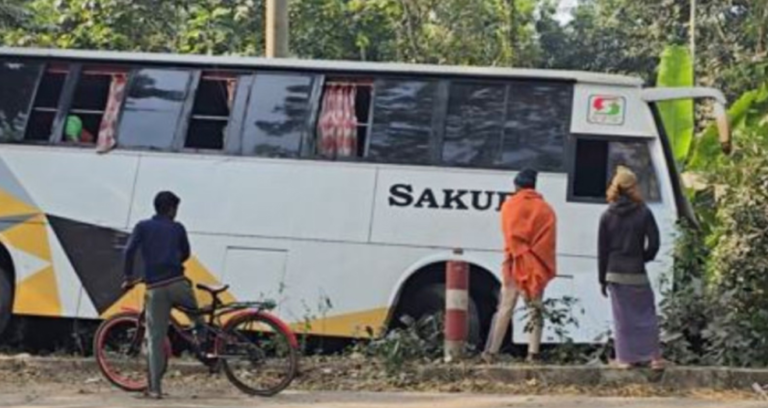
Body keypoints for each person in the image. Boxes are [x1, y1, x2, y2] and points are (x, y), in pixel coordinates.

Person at [123, 191, 204, 399]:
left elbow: (129, 251)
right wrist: (172, 261)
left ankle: (155, 389)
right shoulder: (178, 228)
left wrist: (128, 277)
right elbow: (185, 253)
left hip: (156, 289)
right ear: (171, 209)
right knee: (197, 316)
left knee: (155, 338)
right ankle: (205, 346)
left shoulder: (142, 227)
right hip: (179, 284)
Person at [482, 168, 557, 364]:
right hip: (536, 267)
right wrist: (533, 258)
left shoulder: (510, 205)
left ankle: (492, 352)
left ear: (516, 186)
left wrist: (520, 254)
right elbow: (548, 243)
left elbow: (510, 236)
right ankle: (533, 353)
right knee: (535, 309)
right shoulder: (546, 209)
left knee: (506, 307)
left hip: (514, 264)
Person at [598, 165, 664, 370]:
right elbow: (654, 243)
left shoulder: (607, 215)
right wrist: (643, 258)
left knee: (623, 319)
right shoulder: (644, 212)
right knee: (646, 314)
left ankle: (625, 359)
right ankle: (653, 358)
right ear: (633, 187)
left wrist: (602, 279)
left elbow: (602, 250)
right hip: (636, 271)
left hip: (614, 272)